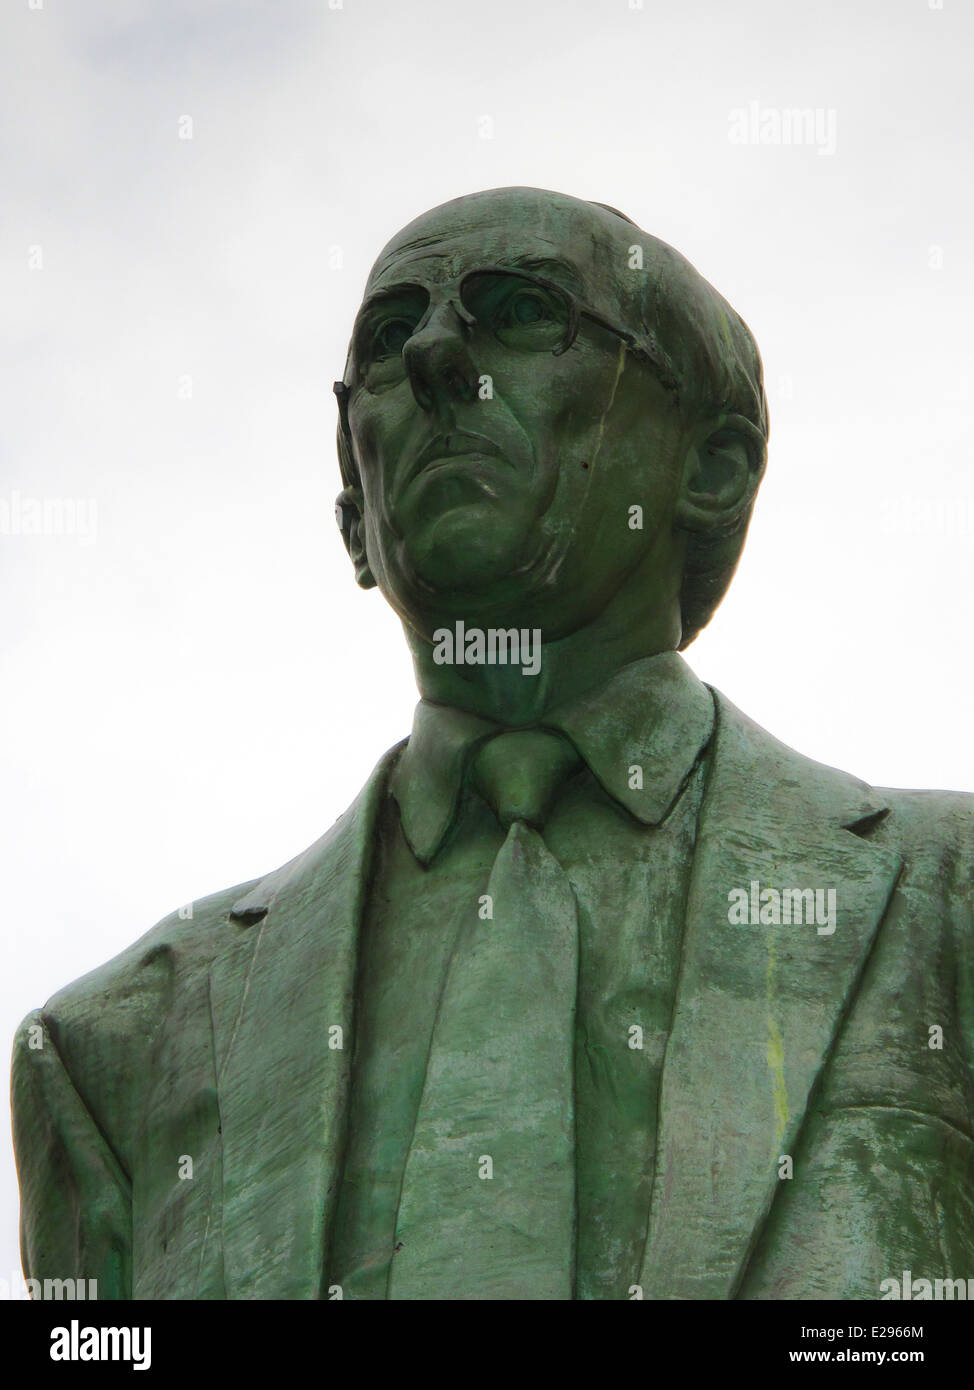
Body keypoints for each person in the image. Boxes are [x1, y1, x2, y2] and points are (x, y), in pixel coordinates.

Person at [13, 187, 974, 1300]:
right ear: (352, 513)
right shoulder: (109, 1054)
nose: (430, 356)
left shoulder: (942, 903)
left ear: (708, 465)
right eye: (386, 336)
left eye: (520, 312)